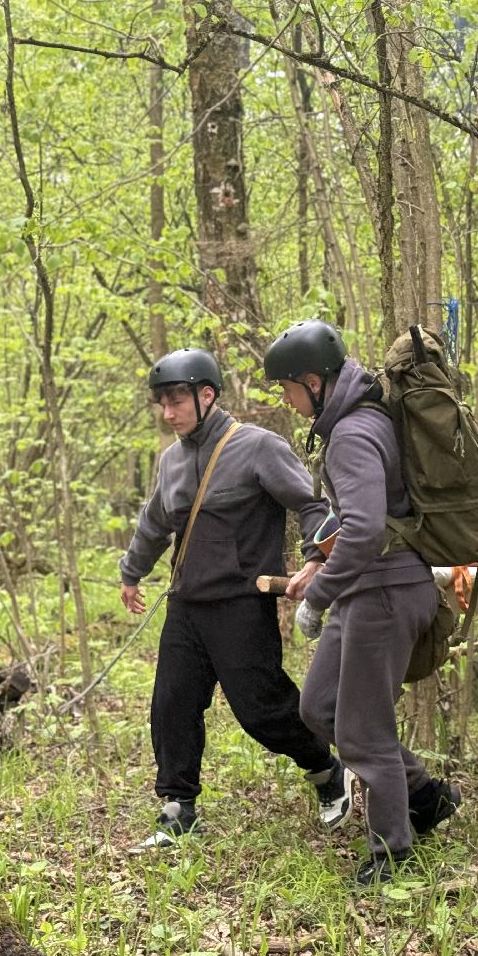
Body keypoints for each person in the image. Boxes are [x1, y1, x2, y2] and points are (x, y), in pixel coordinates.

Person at [119, 347, 352, 851]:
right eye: (161, 402)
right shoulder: (171, 461)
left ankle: (326, 769)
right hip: (186, 605)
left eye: (176, 399)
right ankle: (178, 808)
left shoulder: (256, 446)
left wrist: (316, 559)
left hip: (242, 605)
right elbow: (155, 524)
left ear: (207, 395)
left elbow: (313, 504)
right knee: (171, 705)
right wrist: (132, 573)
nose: (168, 412)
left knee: (262, 710)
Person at [264, 319, 460, 885]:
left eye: (288, 388)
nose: (286, 399)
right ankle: (423, 795)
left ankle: (391, 850)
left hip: (386, 593)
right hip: (366, 590)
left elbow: (366, 530)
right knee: (319, 708)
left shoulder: (351, 434)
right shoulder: (357, 423)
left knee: (362, 733)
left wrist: (316, 596)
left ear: (312, 381)